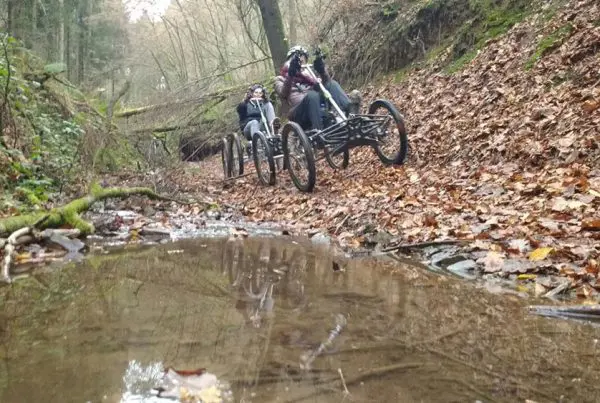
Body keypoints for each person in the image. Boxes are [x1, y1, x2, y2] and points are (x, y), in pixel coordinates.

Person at [274, 45, 361, 132]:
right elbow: (283, 93)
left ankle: (351, 113)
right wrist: (290, 75)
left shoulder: (309, 75)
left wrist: (322, 71)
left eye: (303, 59)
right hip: (298, 113)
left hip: (317, 104)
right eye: (298, 58)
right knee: (312, 95)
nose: (301, 61)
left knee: (331, 84)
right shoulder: (280, 79)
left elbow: (325, 83)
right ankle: (319, 130)